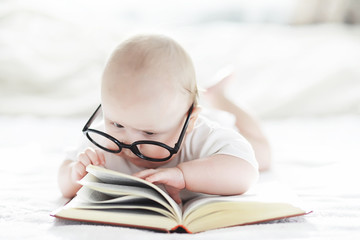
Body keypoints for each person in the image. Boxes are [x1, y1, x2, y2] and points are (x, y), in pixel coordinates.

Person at [58, 34, 271, 204]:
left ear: (189, 121)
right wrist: (75, 173)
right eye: (117, 124)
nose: (128, 142)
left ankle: (219, 96)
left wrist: (183, 175)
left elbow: (246, 173)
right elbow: (63, 181)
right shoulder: (102, 142)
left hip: (215, 123)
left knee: (263, 154)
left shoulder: (204, 136)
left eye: (149, 133)